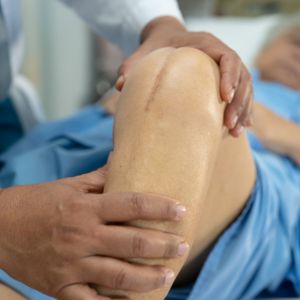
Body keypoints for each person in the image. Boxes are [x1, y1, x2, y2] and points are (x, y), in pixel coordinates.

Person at [0, 40, 300, 299]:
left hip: (250, 188)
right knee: (180, 72)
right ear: (263, 51)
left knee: (188, 75)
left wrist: (285, 134)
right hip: (72, 161)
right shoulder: (227, 69)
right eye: (296, 42)